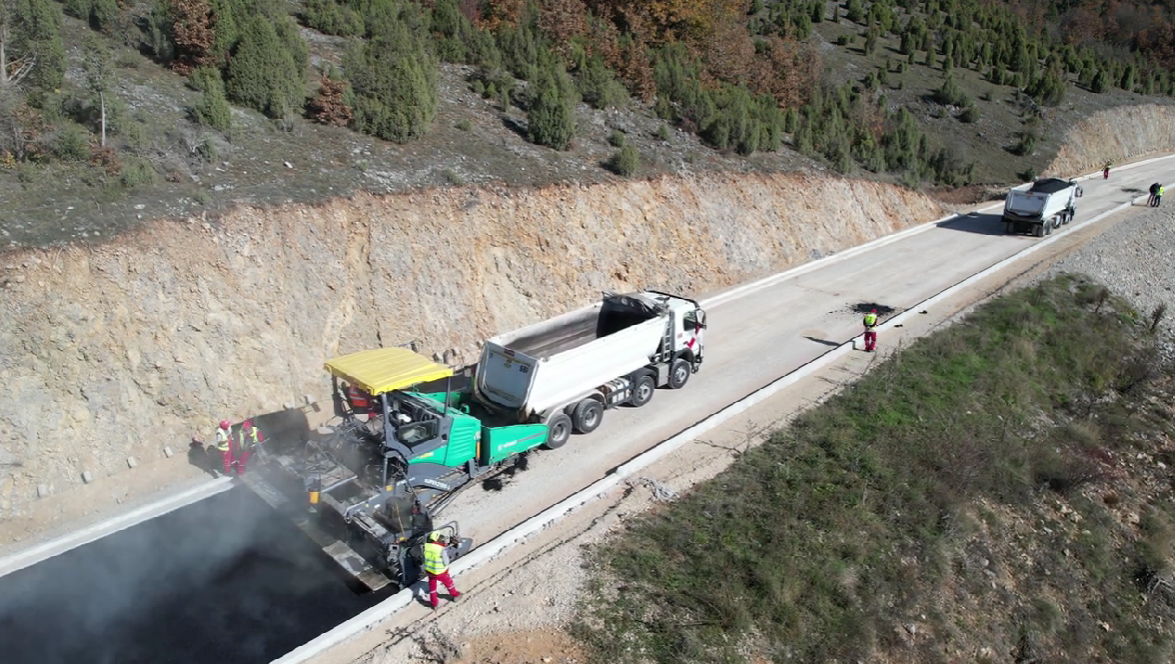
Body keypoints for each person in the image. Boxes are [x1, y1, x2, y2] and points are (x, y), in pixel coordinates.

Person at [423, 530, 461, 609]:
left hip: (430, 571)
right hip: (441, 572)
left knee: (432, 587)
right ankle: (455, 595)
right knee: (449, 583)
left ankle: (434, 603)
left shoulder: (426, 547)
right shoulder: (441, 549)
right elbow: (446, 562)